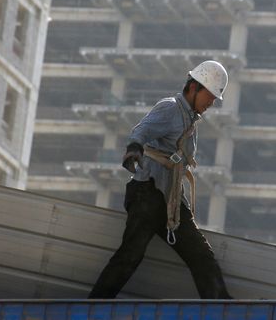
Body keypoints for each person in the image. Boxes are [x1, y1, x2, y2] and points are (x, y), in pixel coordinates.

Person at [88, 60, 233, 299]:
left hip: (170, 200)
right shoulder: (171, 108)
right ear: (195, 88)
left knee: (201, 255)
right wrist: (134, 149)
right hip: (148, 193)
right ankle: (92, 308)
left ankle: (222, 306)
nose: (211, 103)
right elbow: (141, 131)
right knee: (130, 256)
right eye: (210, 96)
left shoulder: (190, 121)